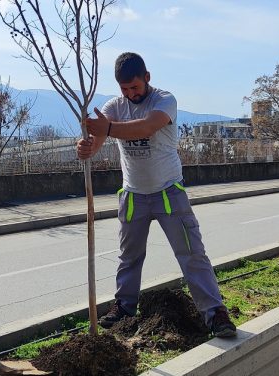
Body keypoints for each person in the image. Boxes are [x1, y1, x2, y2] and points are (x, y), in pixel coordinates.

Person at [76, 52, 237, 338]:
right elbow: (98, 139)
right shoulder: (114, 106)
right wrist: (87, 147)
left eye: (135, 87)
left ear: (147, 77)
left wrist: (109, 128)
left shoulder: (165, 101)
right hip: (133, 195)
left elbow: (148, 125)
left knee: (192, 254)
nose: (130, 94)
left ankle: (216, 314)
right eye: (124, 89)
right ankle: (124, 307)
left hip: (168, 193)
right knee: (129, 256)